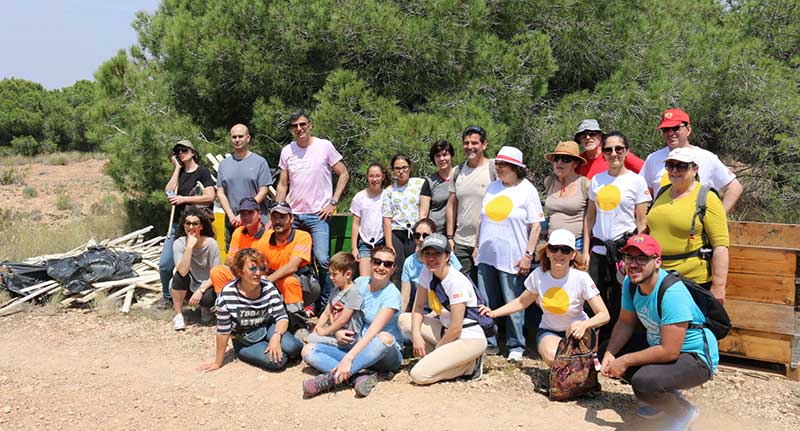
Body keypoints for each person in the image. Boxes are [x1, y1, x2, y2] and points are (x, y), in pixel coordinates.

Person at [600, 234, 718, 429]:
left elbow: (669, 351)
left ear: (657, 262)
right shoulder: (631, 283)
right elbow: (625, 322)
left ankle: (682, 412)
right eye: (629, 257)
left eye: (642, 258)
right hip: (662, 346)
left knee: (644, 383)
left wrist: (625, 360)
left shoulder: (672, 293)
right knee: (608, 348)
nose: (634, 264)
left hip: (695, 357)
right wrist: (611, 354)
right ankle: (664, 399)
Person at [479, 229, 609, 366]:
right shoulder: (538, 276)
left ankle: (581, 366)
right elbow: (521, 302)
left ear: (573, 254)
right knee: (555, 358)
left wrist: (584, 325)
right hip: (550, 331)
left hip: (579, 332)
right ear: (547, 252)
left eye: (565, 250)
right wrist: (493, 313)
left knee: (569, 358)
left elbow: (604, 315)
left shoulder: (581, 278)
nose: (559, 254)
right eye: (554, 249)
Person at [301, 246, 404, 398]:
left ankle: (330, 379)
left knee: (383, 338)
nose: (381, 267)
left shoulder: (392, 295)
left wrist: (348, 358)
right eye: (377, 262)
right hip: (356, 345)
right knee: (307, 350)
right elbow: (338, 308)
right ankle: (358, 376)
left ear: (393, 268)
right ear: (371, 263)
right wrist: (337, 331)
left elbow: (372, 332)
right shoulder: (360, 283)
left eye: (387, 264)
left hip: (383, 353)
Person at [275, 109, 350, 313]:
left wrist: (333, 202)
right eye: (295, 126)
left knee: (323, 260)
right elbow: (282, 184)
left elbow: (343, 174)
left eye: (302, 124)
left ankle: (324, 304)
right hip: (293, 215)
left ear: (310, 125)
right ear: (291, 129)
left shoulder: (324, 146)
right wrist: (277, 211)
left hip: (318, 214)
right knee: (290, 261)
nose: (299, 129)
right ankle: (296, 303)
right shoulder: (287, 151)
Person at [474, 146, 544, 360]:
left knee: (513, 301)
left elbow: (536, 226)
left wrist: (528, 255)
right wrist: (476, 246)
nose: (499, 168)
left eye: (503, 165)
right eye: (497, 164)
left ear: (515, 168)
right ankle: (490, 342)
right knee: (486, 301)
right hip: (487, 254)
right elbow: (482, 218)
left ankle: (516, 345)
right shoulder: (493, 187)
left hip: (513, 257)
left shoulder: (527, 190)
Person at [585, 131, 650, 342]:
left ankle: (619, 345)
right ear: (603, 153)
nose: (613, 154)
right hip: (598, 251)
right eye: (608, 149)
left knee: (622, 300)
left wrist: (637, 256)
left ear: (626, 151)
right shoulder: (597, 180)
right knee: (595, 299)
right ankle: (594, 346)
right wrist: (585, 251)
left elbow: (642, 222)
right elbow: (590, 218)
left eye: (618, 149)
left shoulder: (637, 182)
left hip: (623, 252)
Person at [399, 233, 487, 384]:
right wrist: (417, 336)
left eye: (437, 254)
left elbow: (456, 328)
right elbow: (418, 307)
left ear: (447, 256)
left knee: (419, 375)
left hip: (468, 338)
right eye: (427, 254)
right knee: (404, 320)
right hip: (445, 330)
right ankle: (445, 361)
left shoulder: (456, 281)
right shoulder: (426, 272)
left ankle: (470, 366)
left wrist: (438, 349)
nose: (431, 259)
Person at [197, 248, 303, 372]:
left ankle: (277, 345)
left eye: (261, 268)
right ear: (240, 271)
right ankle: (254, 351)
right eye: (252, 269)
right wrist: (217, 362)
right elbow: (223, 331)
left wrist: (276, 337)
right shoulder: (227, 295)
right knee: (278, 361)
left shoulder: (268, 286)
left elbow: (282, 317)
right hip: (244, 338)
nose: (258, 273)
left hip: (267, 327)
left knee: (293, 348)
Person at [646, 147, 730, 303]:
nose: (675, 170)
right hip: (657, 277)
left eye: (682, 166)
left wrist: (719, 286)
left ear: (695, 169)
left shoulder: (707, 198)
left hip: (691, 280)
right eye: (670, 165)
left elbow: (721, 245)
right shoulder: (662, 192)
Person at [640, 108, 743, 213]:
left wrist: (718, 216)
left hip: (695, 226)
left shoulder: (707, 158)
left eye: (675, 128)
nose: (670, 133)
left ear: (688, 129)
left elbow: (734, 188)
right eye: (666, 129)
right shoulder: (653, 158)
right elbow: (643, 193)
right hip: (662, 225)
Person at [159, 140, 215, 306]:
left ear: (192, 152)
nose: (181, 153)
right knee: (165, 264)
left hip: (197, 226)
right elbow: (169, 192)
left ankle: (202, 299)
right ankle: (167, 298)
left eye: (184, 150)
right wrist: (176, 168)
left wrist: (184, 199)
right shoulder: (180, 172)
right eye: (177, 151)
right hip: (177, 225)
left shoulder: (202, 172)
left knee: (199, 265)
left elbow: (209, 196)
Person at [446, 125, 495, 282]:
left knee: (487, 291)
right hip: (461, 242)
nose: (470, 147)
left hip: (488, 241)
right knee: (462, 289)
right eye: (466, 143)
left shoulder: (494, 169)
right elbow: (452, 204)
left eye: (474, 143)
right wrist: (450, 237)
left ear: (484, 145)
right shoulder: (457, 171)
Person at [254, 201, 312, 332]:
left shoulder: (303, 236)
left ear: (291, 219)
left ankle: (299, 325)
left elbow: (292, 267)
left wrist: (266, 281)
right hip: (275, 283)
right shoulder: (264, 239)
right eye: (274, 217)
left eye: (282, 217)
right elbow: (260, 267)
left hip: (303, 284)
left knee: (289, 281)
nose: (278, 221)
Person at [216, 124, 273, 250]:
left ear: (248, 138)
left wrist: (245, 213)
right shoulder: (224, 164)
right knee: (235, 262)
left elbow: (263, 191)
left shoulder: (260, 162)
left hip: (256, 221)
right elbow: (220, 193)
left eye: (240, 136)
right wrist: (231, 216)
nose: (237, 139)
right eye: (234, 137)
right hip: (232, 222)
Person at [383, 154, 431, 287]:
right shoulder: (389, 191)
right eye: (397, 168)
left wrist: (421, 235)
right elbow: (387, 218)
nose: (401, 171)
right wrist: (388, 244)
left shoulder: (419, 183)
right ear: (393, 170)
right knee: (397, 268)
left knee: (415, 265)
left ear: (410, 168)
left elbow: (424, 208)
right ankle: (399, 301)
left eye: (404, 167)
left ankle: (416, 300)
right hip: (396, 232)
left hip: (414, 232)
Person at [170, 207, 221, 331]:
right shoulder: (179, 243)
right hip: (188, 283)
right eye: (188, 223)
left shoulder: (211, 244)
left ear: (201, 226)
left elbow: (216, 273)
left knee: (207, 298)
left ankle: (205, 308)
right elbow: (182, 271)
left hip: (207, 285)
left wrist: (201, 289)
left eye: (195, 224)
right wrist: (189, 247)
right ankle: (178, 315)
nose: (191, 227)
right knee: (178, 276)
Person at [400, 218, 462, 312]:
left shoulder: (448, 256)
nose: (420, 239)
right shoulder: (409, 262)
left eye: (425, 235)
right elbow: (405, 298)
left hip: (447, 309)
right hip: (422, 309)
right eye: (417, 235)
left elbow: (459, 286)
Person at [543, 140, 590, 261]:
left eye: (566, 159)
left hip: (576, 244)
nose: (559, 163)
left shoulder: (585, 184)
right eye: (556, 159)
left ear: (575, 163)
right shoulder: (549, 181)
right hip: (552, 244)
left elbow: (589, 219)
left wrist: (585, 252)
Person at [208, 197, 267, 293]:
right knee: (217, 271)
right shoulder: (238, 232)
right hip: (241, 273)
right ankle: (224, 304)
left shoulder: (268, 235)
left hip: (259, 275)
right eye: (243, 214)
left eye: (250, 213)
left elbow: (266, 265)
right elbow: (229, 261)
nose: (247, 217)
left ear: (259, 214)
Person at [307, 252, 363, 347]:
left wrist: (325, 332)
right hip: (336, 331)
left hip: (349, 337)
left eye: (334, 275)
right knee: (312, 337)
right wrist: (317, 328)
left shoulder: (354, 293)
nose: (331, 277)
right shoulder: (335, 290)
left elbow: (343, 319)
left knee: (310, 340)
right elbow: (327, 312)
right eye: (330, 274)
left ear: (348, 274)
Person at [350, 162, 389, 276]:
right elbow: (355, 224)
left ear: (382, 177)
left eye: (377, 176)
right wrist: (354, 248)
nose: (374, 179)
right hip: (365, 243)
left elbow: (388, 221)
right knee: (364, 279)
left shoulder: (387, 195)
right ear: (367, 177)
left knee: (380, 277)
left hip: (382, 241)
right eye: (371, 176)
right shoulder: (359, 197)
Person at [574, 119, 643, 179]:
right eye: (583, 135)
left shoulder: (618, 154)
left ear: (600, 136)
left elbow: (647, 171)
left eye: (592, 134)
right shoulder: (578, 161)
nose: (588, 138)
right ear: (579, 139)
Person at [421, 140, 455, 234]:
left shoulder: (460, 177)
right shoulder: (429, 181)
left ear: (451, 155)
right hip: (436, 233)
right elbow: (423, 214)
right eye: (438, 156)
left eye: (445, 155)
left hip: (459, 234)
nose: (442, 159)